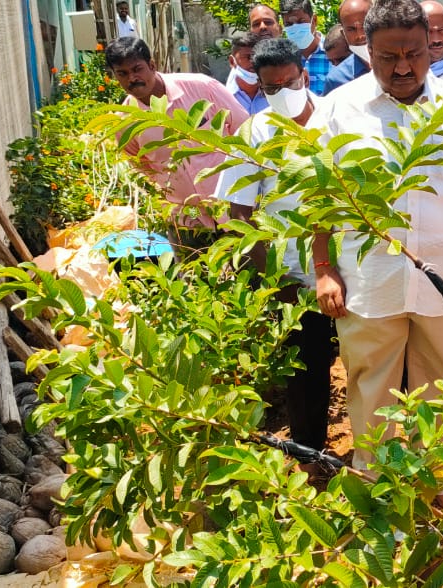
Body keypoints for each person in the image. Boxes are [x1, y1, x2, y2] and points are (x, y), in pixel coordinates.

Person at [315, 0, 443, 468]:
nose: (403, 67)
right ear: (367, 49)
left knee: (440, 383)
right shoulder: (339, 109)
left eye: (414, 53)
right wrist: (324, 271)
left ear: (431, 47)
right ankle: (374, 483)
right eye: (388, 57)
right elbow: (319, 195)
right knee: (369, 385)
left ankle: (437, 478)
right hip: (369, 279)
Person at [212, 37, 335, 458]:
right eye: (271, 88)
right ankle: (309, 456)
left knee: (369, 366)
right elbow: (237, 214)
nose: (282, 93)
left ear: (305, 74)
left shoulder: (339, 118)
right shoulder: (256, 132)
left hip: (356, 270)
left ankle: (377, 459)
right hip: (294, 279)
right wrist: (273, 279)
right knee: (306, 374)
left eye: (289, 81)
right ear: (260, 87)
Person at [105, 36, 249, 230]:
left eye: (137, 69)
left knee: (248, 259)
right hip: (188, 216)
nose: (132, 79)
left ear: (152, 65)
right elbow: (142, 166)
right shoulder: (125, 121)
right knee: (194, 258)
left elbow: (245, 129)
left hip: (232, 205)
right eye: (122, 73)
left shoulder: (201, 88)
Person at [279, 0, 330, 95]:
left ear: (314, 20)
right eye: (289, 24)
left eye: (301, 22)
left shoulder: (335, 52)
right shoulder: (283, 59)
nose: (295, 28)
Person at [323, 0, 372, 93]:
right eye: (351, 29)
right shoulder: (336, 80)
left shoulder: (401, 65)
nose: (360, 35)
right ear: (343, 33)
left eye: (365, 26)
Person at [225, 32, 269, 115]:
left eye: (258, 57)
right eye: (247, 57)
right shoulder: (223, 97)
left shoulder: (274, 95)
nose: (253, 62)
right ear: (232, 61)